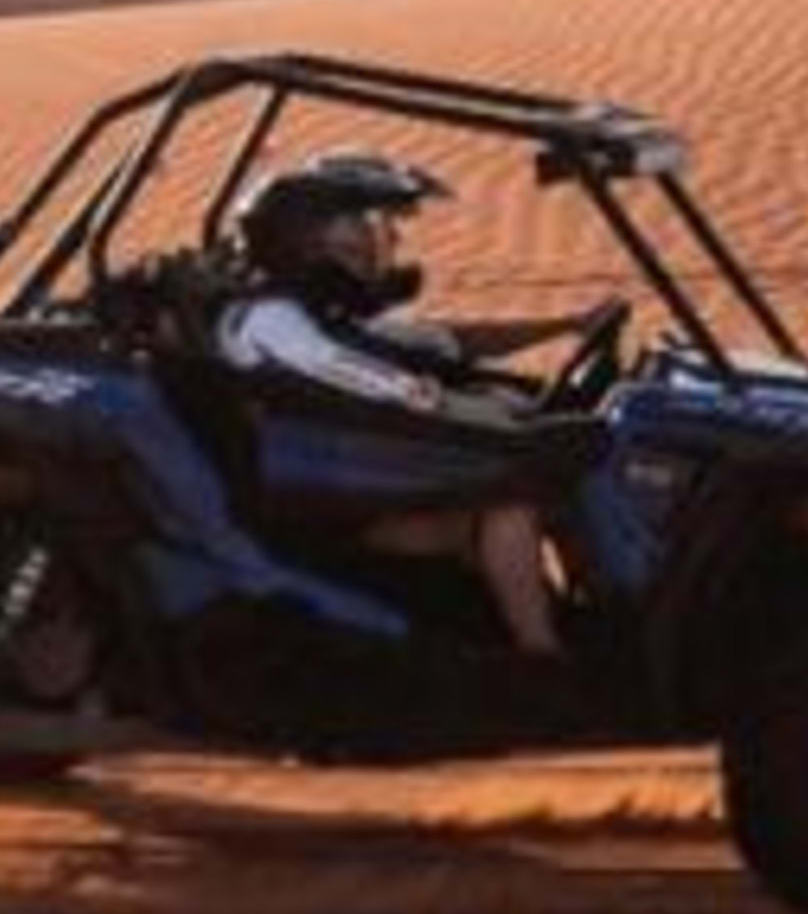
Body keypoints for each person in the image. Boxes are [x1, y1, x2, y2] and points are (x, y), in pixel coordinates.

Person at [212, 151, 601, 655]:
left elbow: (439, 343)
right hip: (331, 514)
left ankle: (582, 623)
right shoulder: (274, 321)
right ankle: (543, 657)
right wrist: (473, 415)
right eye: (365, 232)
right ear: (313, 244)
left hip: (360, 481)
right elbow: (372, 381)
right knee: (507, 509)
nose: (386, 244)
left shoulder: (317, 311)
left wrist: (565, 327)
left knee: (552, 480)